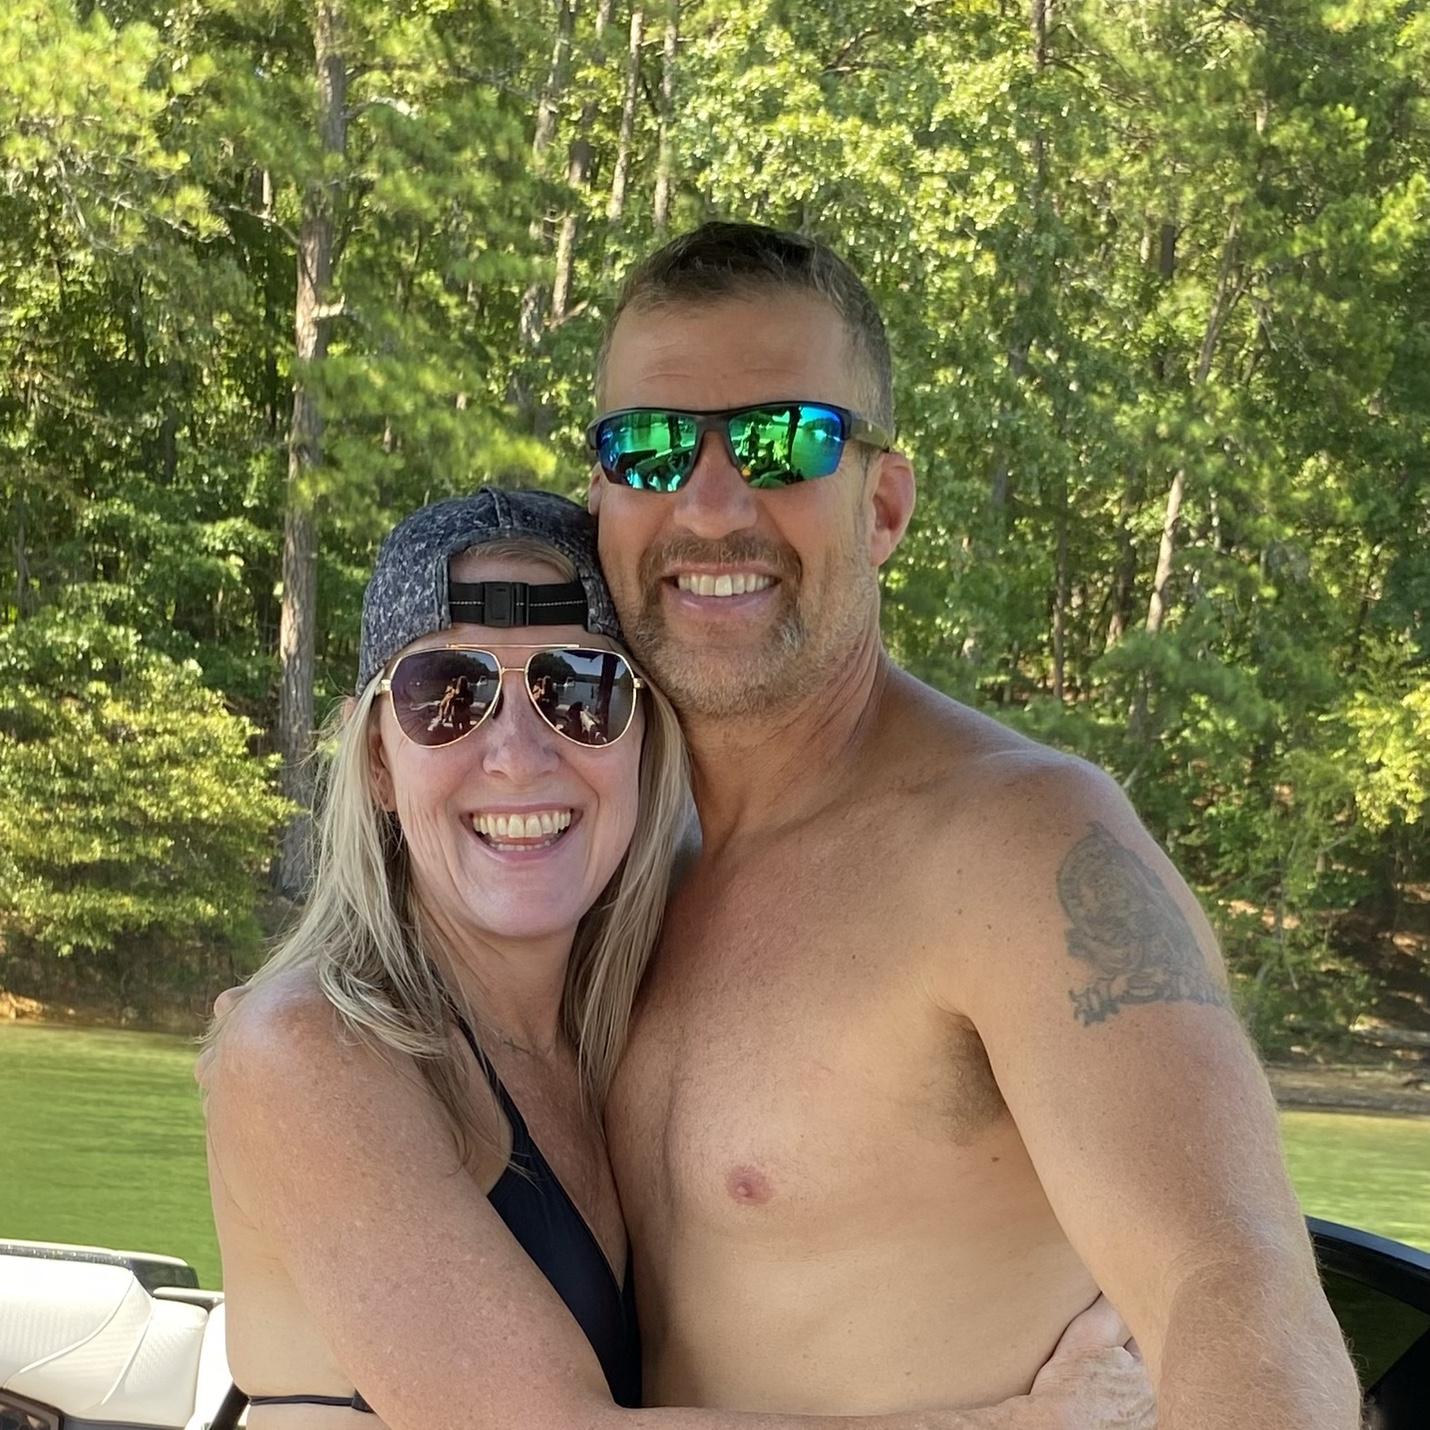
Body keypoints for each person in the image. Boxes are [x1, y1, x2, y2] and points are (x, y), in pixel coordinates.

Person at [585, 222, 1362, 1428]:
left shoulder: (1021, 844)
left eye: (786, 439)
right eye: (647, 446)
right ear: (599, 500)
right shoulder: (593, 857)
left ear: (883, 504)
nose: (710, 502)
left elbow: (1231, 1284)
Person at [201, 487, 1153, 1428]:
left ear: (640, 739)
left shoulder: (625, 1036)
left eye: (579, 692)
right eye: (447, 697)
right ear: (378, 760)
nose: (517, 755)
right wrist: (1032, 1424)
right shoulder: (305, 1051)